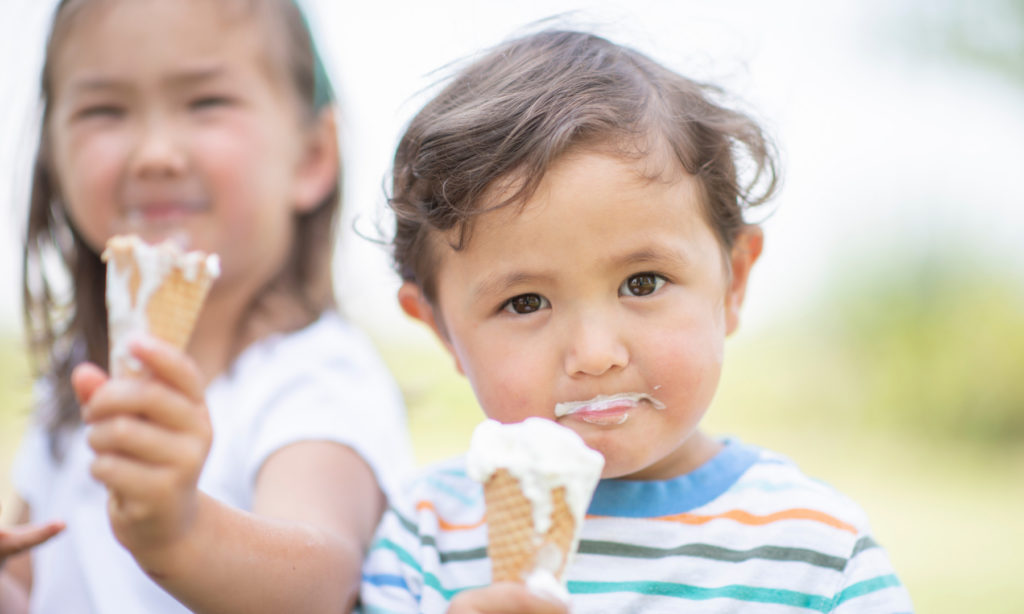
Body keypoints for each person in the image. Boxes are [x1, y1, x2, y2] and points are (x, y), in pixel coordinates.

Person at [359, 30, 915, 614]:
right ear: (441, 328)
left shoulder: (815, 552)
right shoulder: (424, 537)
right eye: (525, 302)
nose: (596, 354)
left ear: (734, 283)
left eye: (642, 283)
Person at [0, 1, 414, 613]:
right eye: (104, 110)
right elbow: (35, 586)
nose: (155, 153)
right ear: (53, 160)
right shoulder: (79, 377)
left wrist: (183, 534)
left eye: (205, 103)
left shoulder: (315, 378)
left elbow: (325, 576)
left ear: (311, 157)